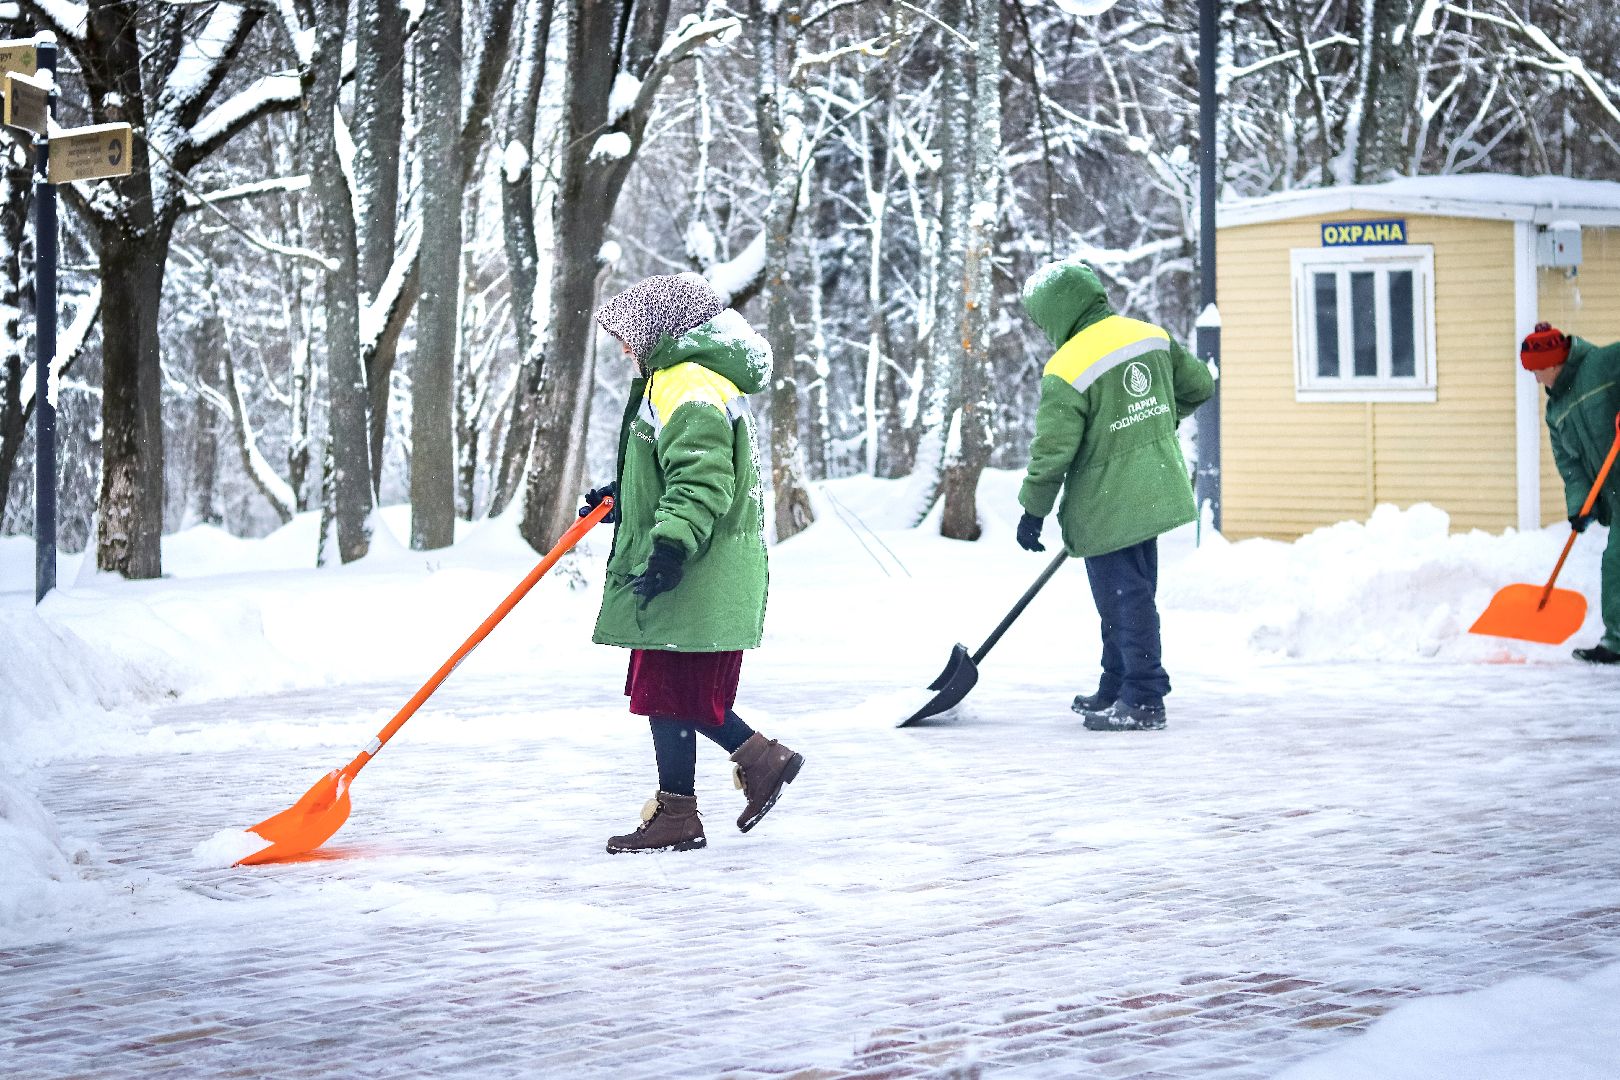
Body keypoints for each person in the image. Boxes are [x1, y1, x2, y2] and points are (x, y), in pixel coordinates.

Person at [582, 272, 805, 853]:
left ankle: (757, 760)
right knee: (668, 689)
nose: (626, 349)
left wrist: (672, 544)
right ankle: (686, 808)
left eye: (629, 336)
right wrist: (623, 498)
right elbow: (674, 467)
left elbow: (703, 476)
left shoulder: (686, 382)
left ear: (659, 328)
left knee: (675, 690)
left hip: (696, 564)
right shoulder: (685, 379)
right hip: (700, 562)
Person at [1013, 259, 1214, 731]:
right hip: (1157, 487)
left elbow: (1053, 451)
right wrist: (1154, 427)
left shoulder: (1067, 367)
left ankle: (1144, 698)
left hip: (1108, 501)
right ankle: (1117, 684)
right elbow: (1200, 385)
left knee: (1125, 600)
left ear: (1056, 312)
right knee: (1128, 595)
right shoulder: (1148, 335)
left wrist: (1032, 510)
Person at [1521, 321, 1620, 665]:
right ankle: (1617, 640)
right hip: (1616, 495)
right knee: (1616, 562)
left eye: (1535, 371)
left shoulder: (1604, 363)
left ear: (1551, 363)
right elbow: (1570, 466)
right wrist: (1580, 506)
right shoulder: (1555, 411)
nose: (1535, 379)